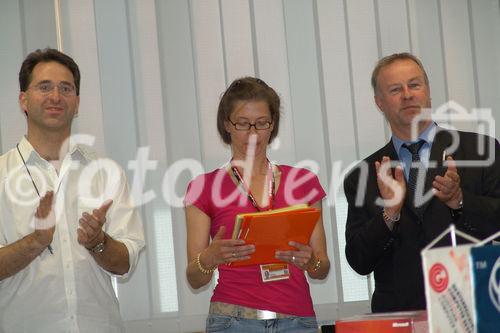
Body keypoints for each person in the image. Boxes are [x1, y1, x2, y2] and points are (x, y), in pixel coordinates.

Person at [0, 48, 145, 332]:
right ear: (23, 100)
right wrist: (36, 241)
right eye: (44, 87)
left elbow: (125, 262)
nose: (55, 96)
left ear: (77, 103)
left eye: (65, 88)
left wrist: (98, 242)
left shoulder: (107, 172)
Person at [343, 52, 500, 313]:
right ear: (379, 103)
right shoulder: (363, 176)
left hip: (471, 308)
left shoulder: (481, 151)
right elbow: (359, 260)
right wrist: (389, 213)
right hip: (398, 315)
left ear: (427, 92)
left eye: (414, 85)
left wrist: (459, 201)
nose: (407, 94)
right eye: (395, 89)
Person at [184, 77, 330, 332]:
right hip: (233, 320)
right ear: (226, 125)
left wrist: (310, 263)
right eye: (242, 124)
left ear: (272, 126)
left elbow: (322, 268)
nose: (253, 133)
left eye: (262, 123)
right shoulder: (203, 187)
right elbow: (195, 278)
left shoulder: (303, 182)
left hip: (296, 319)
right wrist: (210, 257)